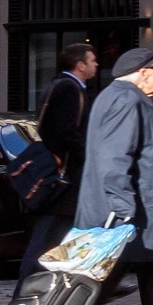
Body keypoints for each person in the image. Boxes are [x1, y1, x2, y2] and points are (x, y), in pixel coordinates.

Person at [74, 47, 153, 305]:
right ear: (143, 72)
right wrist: (121, 206)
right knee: (99, 281)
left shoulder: (115, 96)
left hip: (139, 207)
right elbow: (114, 157)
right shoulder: (127, 99)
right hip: (137, 209)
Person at [17, 40, 104, 286]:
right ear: (80, 65)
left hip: (64, 176)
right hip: (65, 178)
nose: (96, 64)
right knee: (46, 239)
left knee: (77, 232)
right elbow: (67, 133)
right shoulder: (68, 88)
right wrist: (91, 159)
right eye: (92, 60)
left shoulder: (58, 85)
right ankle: (25, 288)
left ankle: (90, 281)